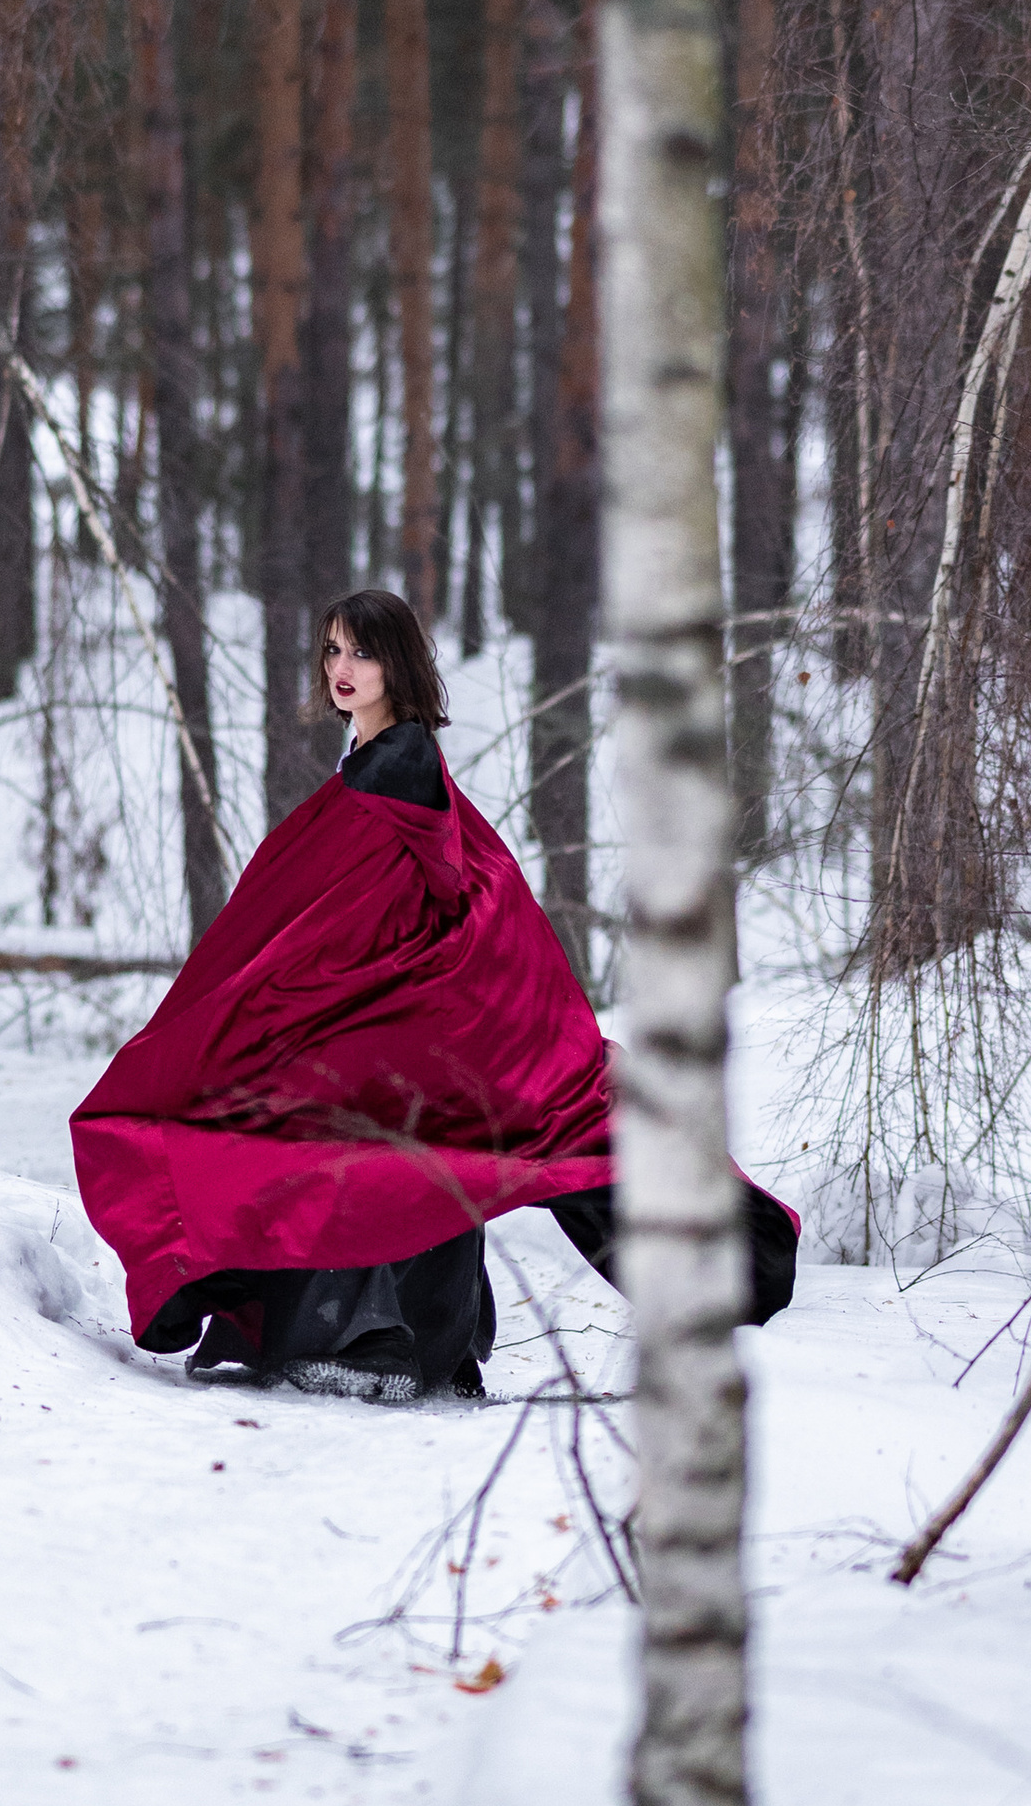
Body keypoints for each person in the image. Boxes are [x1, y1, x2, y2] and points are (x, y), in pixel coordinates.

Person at [71, 589, 798, 1403]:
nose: (342, 669)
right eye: (333, 650)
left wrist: (342, 992)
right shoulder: (373, 760)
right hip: (384, 1002)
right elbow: (346, 903)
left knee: (345, 1128)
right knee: (386, 1140)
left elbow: (430, 895)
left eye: (362, 652)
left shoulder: (402, 763)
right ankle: (397, 1334)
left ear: (399, 664)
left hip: (405, 1005)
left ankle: (370, 1336)